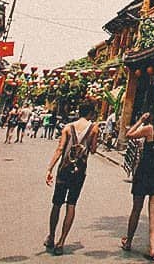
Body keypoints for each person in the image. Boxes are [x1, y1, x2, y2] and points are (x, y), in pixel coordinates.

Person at [45, 104, 99, 256]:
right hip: (79, 171)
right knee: (71, 204)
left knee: (56, 204)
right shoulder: (94, 129)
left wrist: (49, 168)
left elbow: (60, 149)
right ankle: (61, 242)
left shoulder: (68, 127)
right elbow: (93, 150)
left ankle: (51, 236)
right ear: (89, 112)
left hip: (64, 169)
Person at [122, 103, 154, 260]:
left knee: (136, 208)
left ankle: (128, 241)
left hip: (145, 172)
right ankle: (152, 248)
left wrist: (140, 121)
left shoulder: (150, 129)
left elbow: (128, 135)